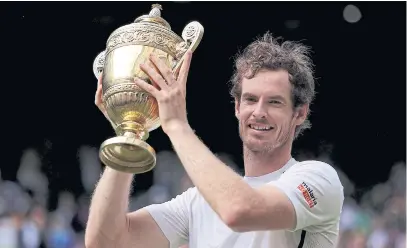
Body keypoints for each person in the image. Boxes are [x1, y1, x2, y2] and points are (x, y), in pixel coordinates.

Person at [85, 32, 344, 248]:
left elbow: (239, 211)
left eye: (274, 102)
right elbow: (106, 241)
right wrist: (129, 131)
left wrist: (176, 125)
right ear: (236, 106)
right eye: (251, 99)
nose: (259, 112)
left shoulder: (317, 179)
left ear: (299, 113)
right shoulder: (198, 201)